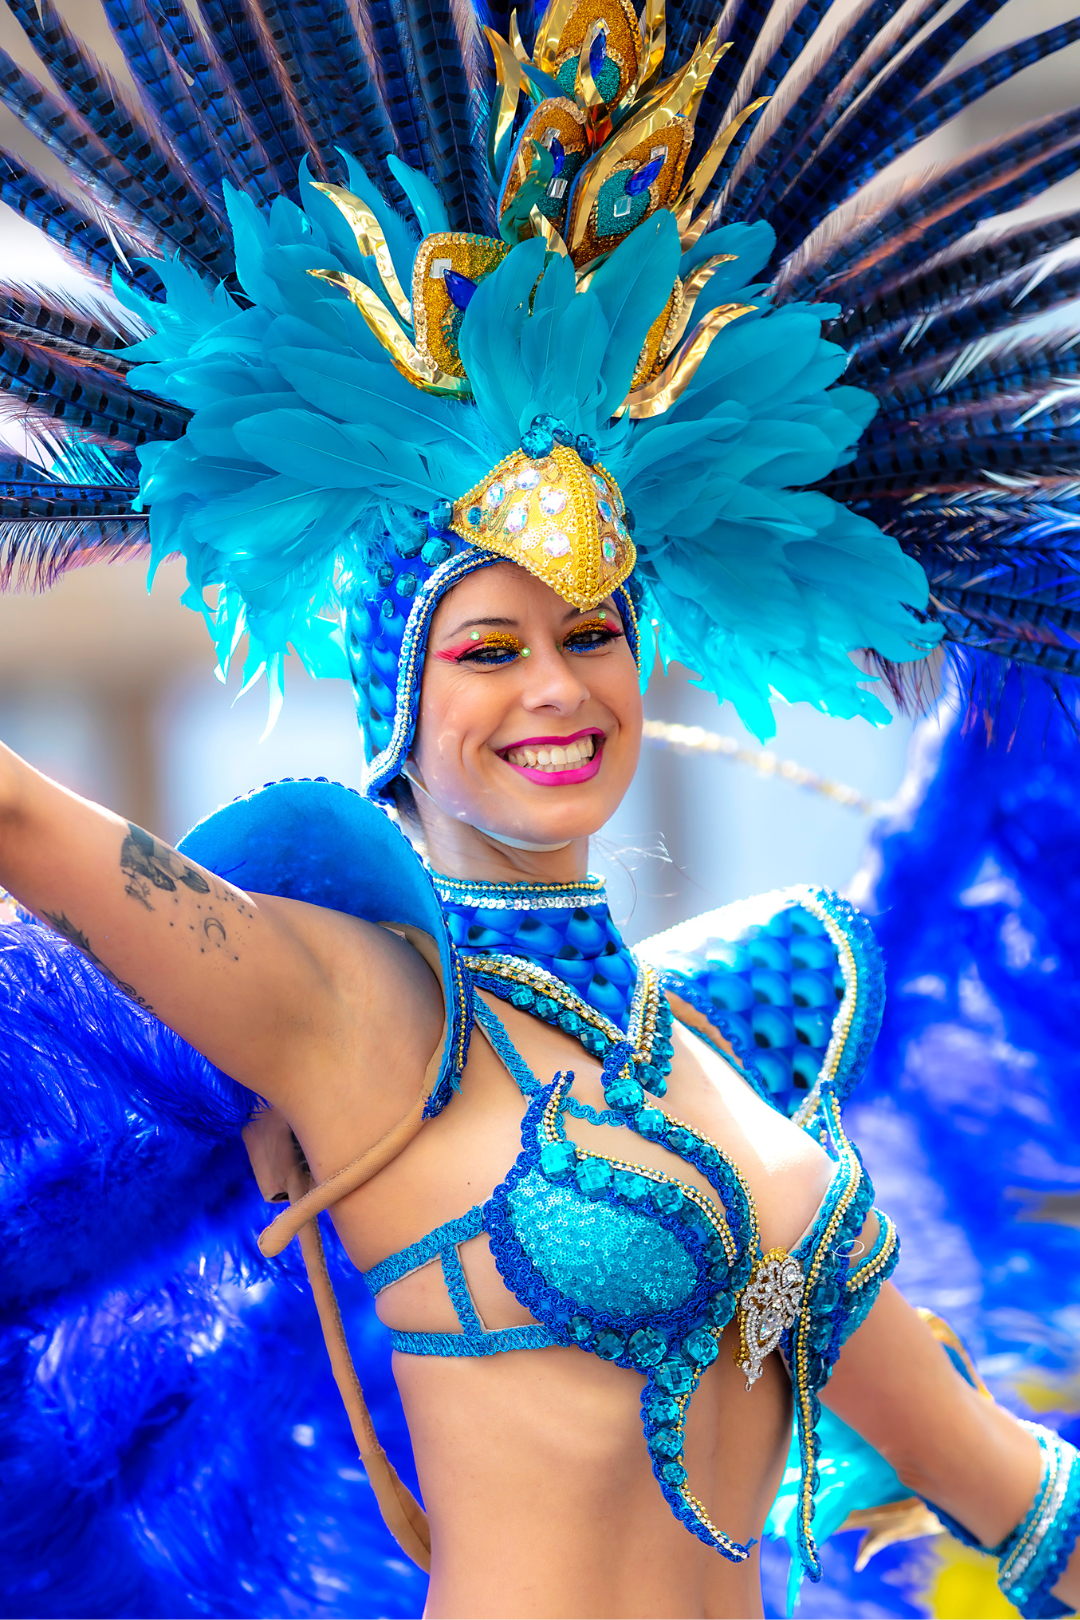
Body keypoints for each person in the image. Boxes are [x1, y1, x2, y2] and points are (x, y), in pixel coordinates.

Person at [3, 2, 1080, 1616]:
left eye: (592, 636)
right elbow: (27, 827)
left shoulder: (728, 1037)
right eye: (489, 650)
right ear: (400, 706)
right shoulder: (356, 1011)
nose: (558, 690)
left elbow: (1014, 1496)